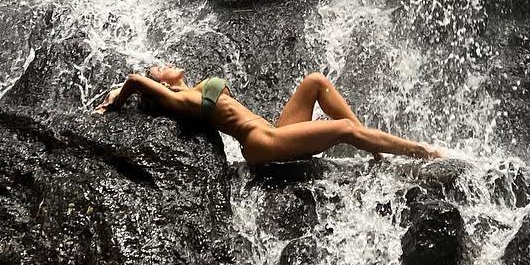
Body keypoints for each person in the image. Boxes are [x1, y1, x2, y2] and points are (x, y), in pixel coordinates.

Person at [95, 64, 444, 166]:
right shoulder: (178, 100)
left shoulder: (191, 87)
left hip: (274, 131)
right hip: (259, 143)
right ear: (159, 82)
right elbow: (133, 81)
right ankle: (421, 151)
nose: (165, 64)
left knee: (315, 81)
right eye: (159, 66)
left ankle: (374, 145)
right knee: (341, 129)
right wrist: (115, 101)